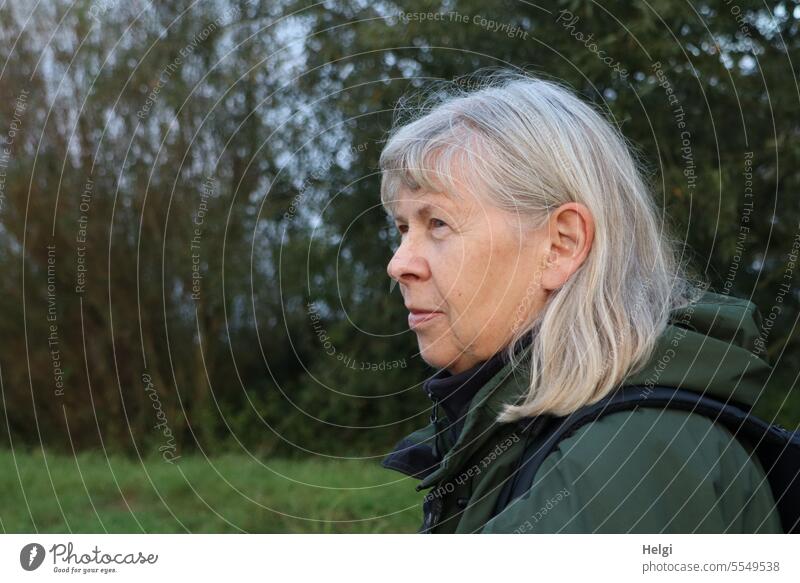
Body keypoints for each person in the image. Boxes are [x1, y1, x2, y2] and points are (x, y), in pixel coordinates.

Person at [378, 71, 781, 533]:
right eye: (403, 228)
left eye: (438, 224)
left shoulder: (632, 453)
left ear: (561, 245)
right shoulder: (534, 433)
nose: (399, 264)